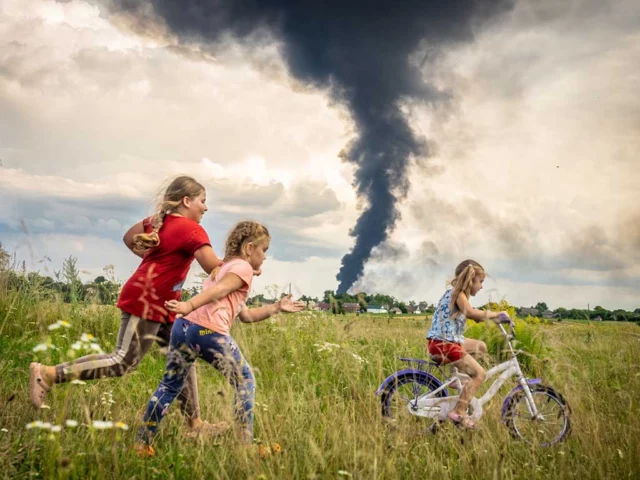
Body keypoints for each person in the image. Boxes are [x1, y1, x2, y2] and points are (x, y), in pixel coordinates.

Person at [30, 175, 225, 434]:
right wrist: (243, 266)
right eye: (203, 201)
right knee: (123, 361)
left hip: (166, 306)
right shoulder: (191, 229)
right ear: (187, 201)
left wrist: (153, 258)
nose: (206, 207)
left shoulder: (160, 222)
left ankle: (195, 424)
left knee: (183, 356)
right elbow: (214, 268)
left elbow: (129, 237)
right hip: (145, 301)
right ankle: (49, 373)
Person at [134, 221, 304, 457]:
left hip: (184, 328)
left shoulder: (225, 268)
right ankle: (245, 447)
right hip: (207, 332)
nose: (264, 258)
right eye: (263, 251)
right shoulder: (241, 269)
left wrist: (277, 307)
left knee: (170, 385)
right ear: (249, 248)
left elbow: (245, 316)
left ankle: (142, 443)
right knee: (245, 381)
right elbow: (221, 290)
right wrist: (189, 304)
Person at [426, 259, 511, 430]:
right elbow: (470, 312)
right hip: (444, 344)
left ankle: (456, 378)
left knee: (480, 346)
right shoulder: (458, 294)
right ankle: (459, 412)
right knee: (480, 374)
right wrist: (496, 315)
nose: (481, 287)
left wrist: (484, 318)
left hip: (446, 341)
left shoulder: (456, 294)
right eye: (480, 282)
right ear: (470, 279)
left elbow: (466, 313)